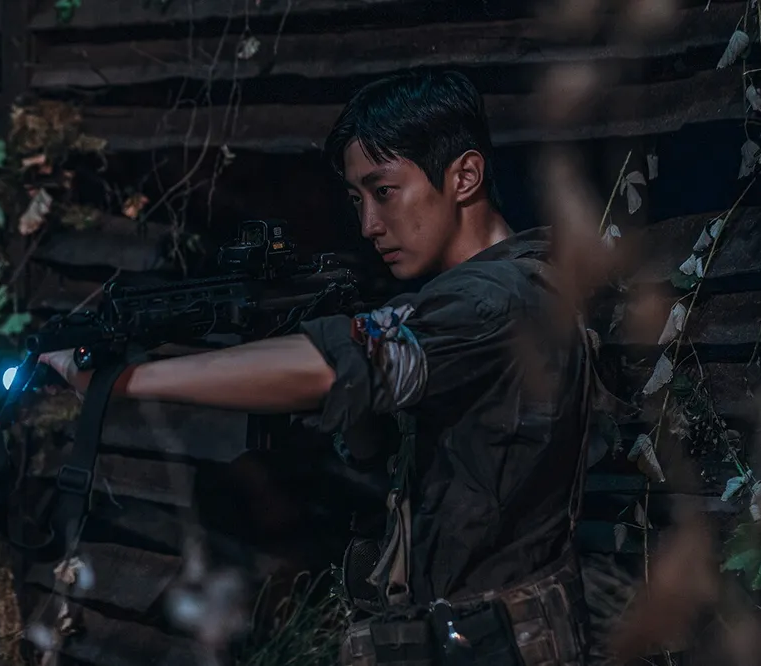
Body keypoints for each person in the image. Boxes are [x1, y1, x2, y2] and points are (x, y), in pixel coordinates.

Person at [41, 69, 593, 666]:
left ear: (464, 177)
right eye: (357, 200)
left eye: (385, 192)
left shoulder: (497, 300)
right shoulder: (480, 298)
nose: (368, 225)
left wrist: (124, 382)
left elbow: (339, 365)